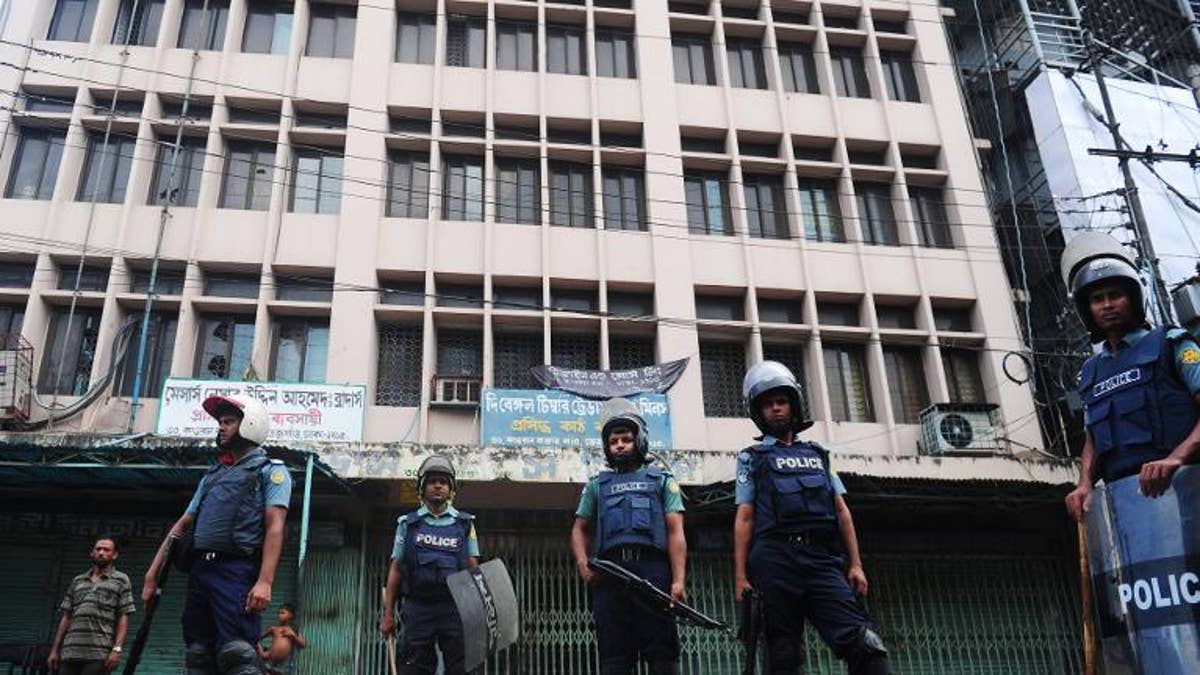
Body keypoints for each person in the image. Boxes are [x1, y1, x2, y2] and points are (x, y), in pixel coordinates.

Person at [733, 361, 891, 675]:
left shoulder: (818, 454)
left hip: (822, 559)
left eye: (781, 402)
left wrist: (856, 564)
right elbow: (745, 517)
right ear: (758, 412)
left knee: (866, 645)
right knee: (782, 655)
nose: (776, 409)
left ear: (794, 405)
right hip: (775, 560)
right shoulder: (751, 457)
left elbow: (842, 511)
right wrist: (740, 575)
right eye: (767, 405)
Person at [142, 394, 292, 675]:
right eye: (220, 422)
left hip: (236, 572)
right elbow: (181, 526)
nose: (221, 427)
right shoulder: (212, 476)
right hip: (200, 572)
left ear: (251, 425)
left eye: (228, 422)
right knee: (198, 656)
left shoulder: (270, 471)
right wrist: (152, 574)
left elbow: (275, 526)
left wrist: (265, 582)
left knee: (237, 654)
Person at [1063, 249, 1200, 519]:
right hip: (1130, 508)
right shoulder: (1090, 372)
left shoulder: (1171, 343)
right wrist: (1084, 483)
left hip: (1189, 494)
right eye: (1097, 299)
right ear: (1087, 310)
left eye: (1116, 295)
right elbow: (1093, 437)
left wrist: (1176, 458)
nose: (1107, 305)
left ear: (1134, 300)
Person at [570, 399, 687, 675]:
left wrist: (679, 579)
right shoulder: (597, 485)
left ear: (640, 440)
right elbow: (579, 529)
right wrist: (583, 565)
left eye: (626, 439)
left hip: (653, 572)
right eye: (613, 441)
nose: (619, 445)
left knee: (662, 652)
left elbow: (675, 531)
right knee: (614, 655)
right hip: (610, 575)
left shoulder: (662, 480)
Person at [380, 455, 480, 675]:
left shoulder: (464, 524)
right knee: (415, 667)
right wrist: (388, 614)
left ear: (450, 489)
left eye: (443, 482)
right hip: (418, 607)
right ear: (422, 488)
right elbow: (396, 569)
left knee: (460, 667)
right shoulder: (408, 524)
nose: (438, 486)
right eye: (432, 481)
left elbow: (474, 568)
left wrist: (478, 612)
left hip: (455, 608)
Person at [48, 536, 135, 675]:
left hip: (98, 654)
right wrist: (54, 650)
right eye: (98, 549)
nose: (101, 552)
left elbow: (123, 616)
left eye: (106, 550)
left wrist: (117, 649)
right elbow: (67, 617)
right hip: (69, 652)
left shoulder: (121, 580)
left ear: (115, 555)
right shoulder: (78, 580)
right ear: (92, 553)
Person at [257, 603, 306, 675]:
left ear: (290, 615)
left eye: (282, 613)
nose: (279, 615)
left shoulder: (293, 631)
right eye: (278, 613)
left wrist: (293, 636)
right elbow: (257, 637)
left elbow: (303, 645)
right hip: (268, 662)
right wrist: (262, 652)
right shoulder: (274, 629)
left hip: (282, 666)